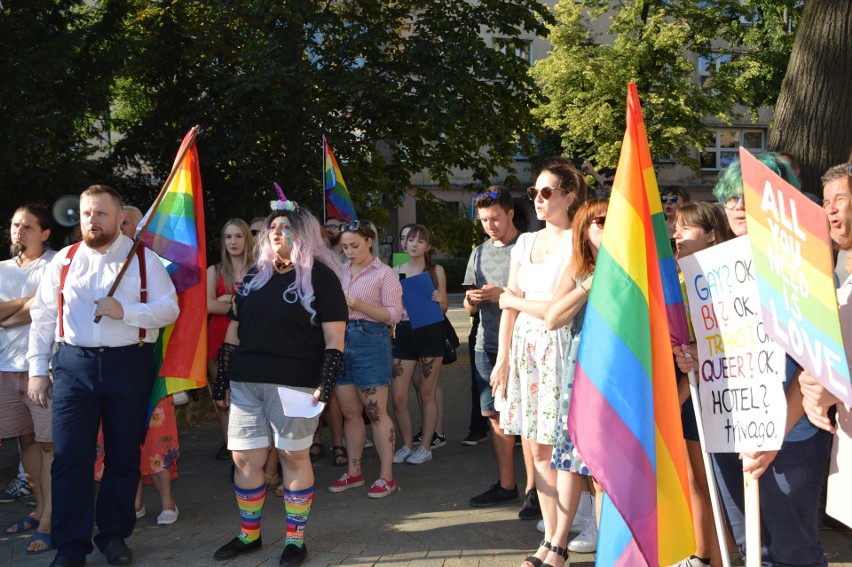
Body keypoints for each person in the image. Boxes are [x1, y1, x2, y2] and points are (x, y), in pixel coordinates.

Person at [675, 153, 832, 566]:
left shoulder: (803, 264)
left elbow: (819, 364)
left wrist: (774, 434)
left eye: (749, 196)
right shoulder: (715, 268)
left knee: (793, 550)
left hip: (789, 438)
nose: (739, 206)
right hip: (730, 429)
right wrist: (696, 355)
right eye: (730, 198)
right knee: (752, 548)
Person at [28, 185, 179, 567]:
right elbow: (43, 319)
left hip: (128, 366)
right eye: (85, 214)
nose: (91, 221)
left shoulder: (143, 259)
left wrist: (125, 310)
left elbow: (169, 310)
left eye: (100, 213)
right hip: (72, 367)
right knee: (68, 459)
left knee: (124, 456)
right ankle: (70, 546)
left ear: (120, 218)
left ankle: (113, 536)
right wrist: (36, 371)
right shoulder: (62, 261)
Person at [211, 199, 346, 566]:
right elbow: (234, 330)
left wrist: (326, 382)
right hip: (246, 382)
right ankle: (249, 535)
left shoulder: (321, 276)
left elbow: (335, 339)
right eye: (272, 228)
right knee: (244, 459)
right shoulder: (255, 275)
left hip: (295, 383)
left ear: (302, 235)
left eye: (285, 227)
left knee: (292, 456)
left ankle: (295, 541)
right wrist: (223, 376)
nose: (275, 233)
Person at [491, 157, 587, 567]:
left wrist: (512, 299)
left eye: (547, 192)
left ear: (569, 196)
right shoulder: (526, 242)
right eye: (534, 192)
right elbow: (507, 307)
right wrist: (502, 358)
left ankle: (560, 544)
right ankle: (549, 539)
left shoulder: (578, 242)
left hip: (559, 348)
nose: (538, 199)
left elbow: (552, 307)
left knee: (561, 449)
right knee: (536, 449)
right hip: (525, 351)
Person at [539, 198, 608, 567]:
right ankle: (558, 546)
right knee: (576, 464)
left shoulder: (639, 267)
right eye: (601, 219)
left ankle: (609, 552)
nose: (610, 225)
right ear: (585, 227)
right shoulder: (579, 268)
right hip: (582, 379)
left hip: (621, 381)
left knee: (606, 473)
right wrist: (590, 284)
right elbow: (552, 318)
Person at [670, 202, 734, 567]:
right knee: (696, 477)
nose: (677, 234)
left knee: (714, 480)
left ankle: (713, 555)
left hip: (713, 390)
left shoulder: (723, 276)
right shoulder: (679, 276)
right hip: (687, 385)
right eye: (675, 228)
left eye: (686, 228)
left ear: (711, 234)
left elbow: (723, 335)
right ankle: (704, 552)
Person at [328, 220, 403, 497]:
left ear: (369, 241)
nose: (349, 251)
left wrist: (356, 304)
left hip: (371, 339)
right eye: (345, 246)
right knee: (349, 412)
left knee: (376, 412)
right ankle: (354, 471)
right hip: (340, 339)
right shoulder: (340, 271)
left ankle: (387, 476)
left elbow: (393, 316)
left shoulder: (385, 274)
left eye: (354, 245)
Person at [0, 205, 56, 554]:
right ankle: (38, 508)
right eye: (14, 225)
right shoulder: (2, 269)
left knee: (51, 446)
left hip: (44, 369)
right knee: (27, 443)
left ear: (45, 233)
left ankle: (51, 519)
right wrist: (31, 302)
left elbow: (52, 306)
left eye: (27, 226)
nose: (18, 232)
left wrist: (9, 313)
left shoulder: (56, 264)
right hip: (5, 368)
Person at [464, 187, 524, 509]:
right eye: (484, 220)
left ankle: (537, 494)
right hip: (485, 345)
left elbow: (545, 300)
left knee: (527, 420)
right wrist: (471, 299)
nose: (490, 225)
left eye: (495, 218)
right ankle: (507, 485)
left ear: (510, 213)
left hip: (523, 345)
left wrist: (504, 294)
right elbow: (467, 304)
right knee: (497, 419)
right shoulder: (479, 252)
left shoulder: (528, 247)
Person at [391, 224, 449, 465]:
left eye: (419, 241)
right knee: (398, 396)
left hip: (430, 333)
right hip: (404, 333)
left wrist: (439, 300)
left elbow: (444, 307)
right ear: (404, 244)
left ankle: (425, 446)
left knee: (427, 393)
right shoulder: (395, 271)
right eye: (410, 240)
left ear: (427, 246)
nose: (413, 245)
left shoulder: (436, 270)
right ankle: (406, 443)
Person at [207, 219, 256, 461]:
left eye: (238, 236)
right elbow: (206, 305)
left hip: (251, 338)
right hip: (218, 339)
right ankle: (231, 449)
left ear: (247, 239)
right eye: (228, 237)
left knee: (251, 395)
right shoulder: (214, 271)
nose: (233, 242)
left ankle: (253, 447)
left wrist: (228, 300)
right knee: (223, 398)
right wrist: (236, 304)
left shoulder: (259, 269)